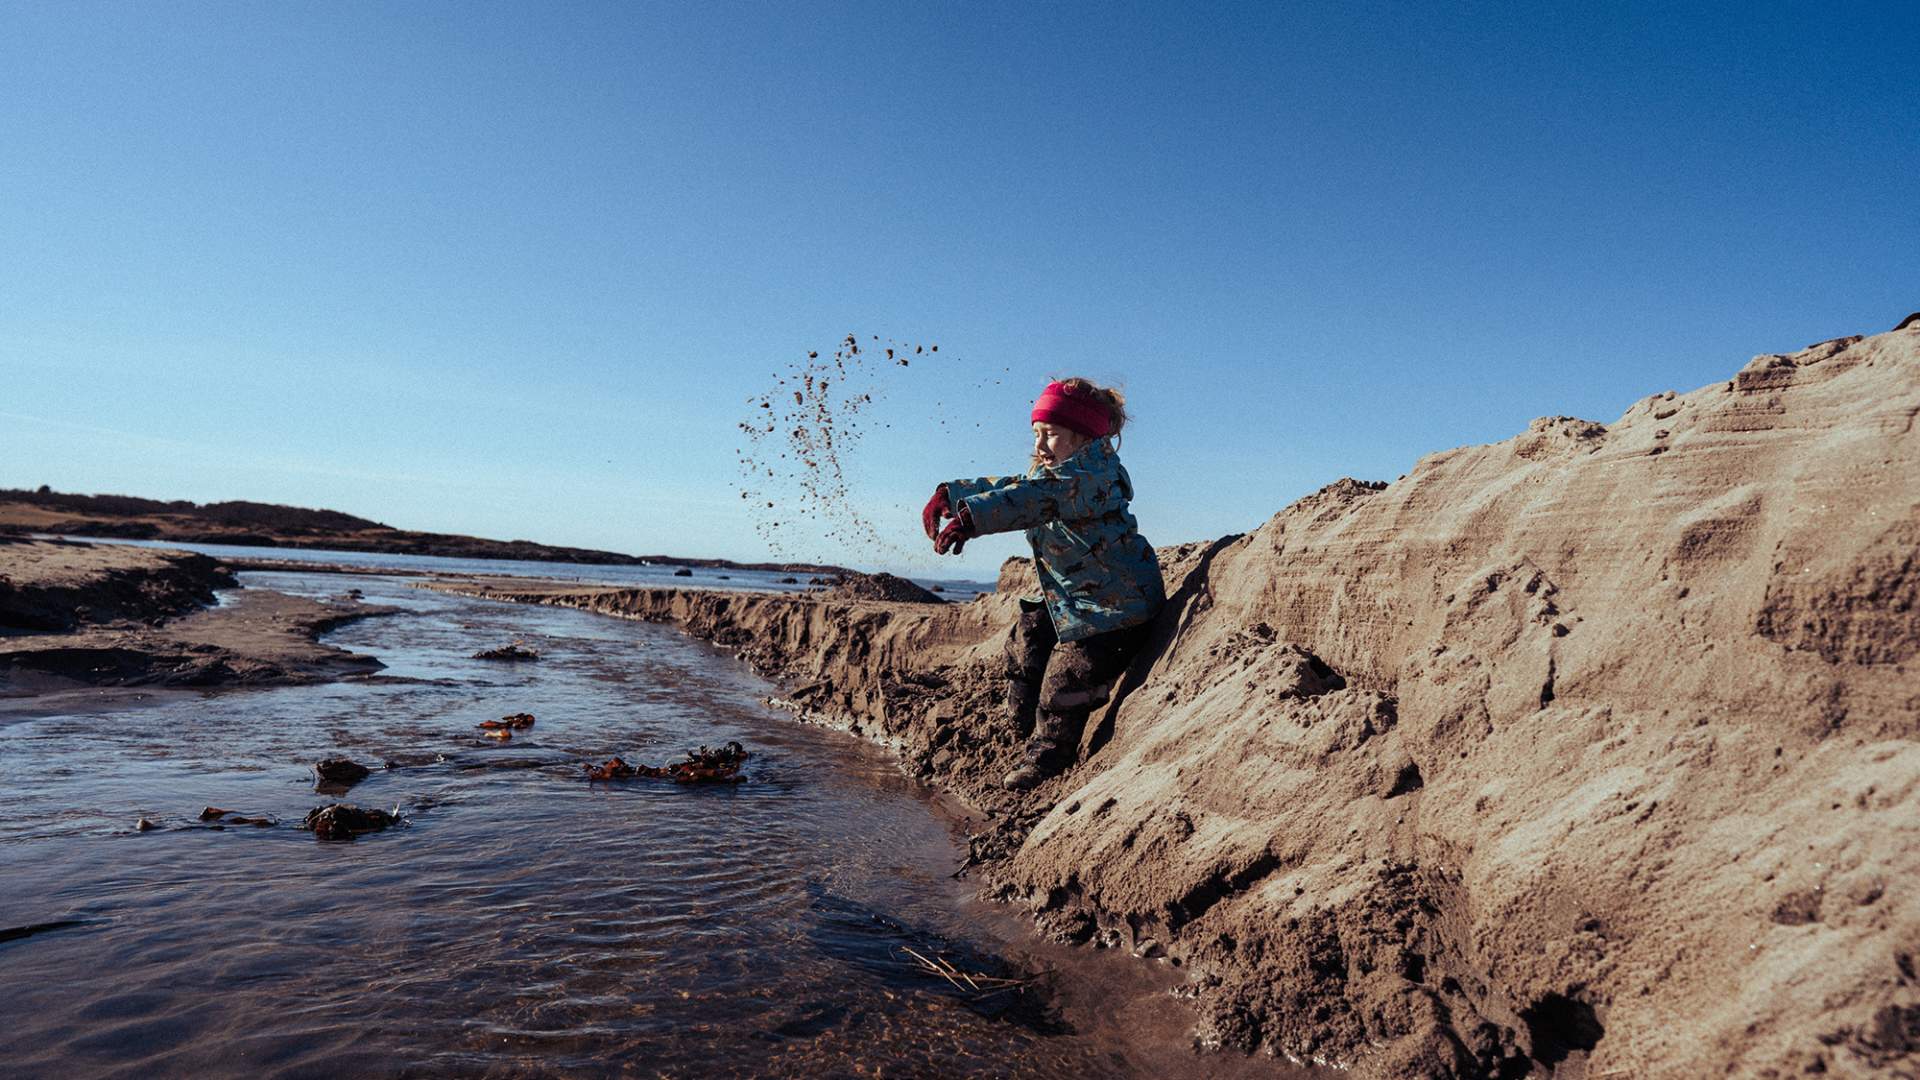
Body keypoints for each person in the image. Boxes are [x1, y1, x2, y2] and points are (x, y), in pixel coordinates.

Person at [921, 378, 1165, 791]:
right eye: (1036, 433)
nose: (1040, 444)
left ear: (1083, 437)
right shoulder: (1050, 474)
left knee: (1066, 677)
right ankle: (1019, 724)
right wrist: (951, 493)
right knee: (1027, 635)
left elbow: (1029, 500)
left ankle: (1050, 755)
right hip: (1074, 597)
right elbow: (1014, 486)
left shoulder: (1091, 477)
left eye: (1050, 434)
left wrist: (973, 518)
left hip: (1117, 609)